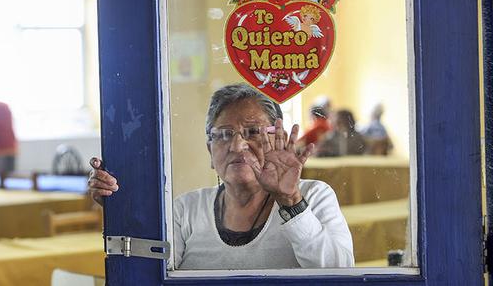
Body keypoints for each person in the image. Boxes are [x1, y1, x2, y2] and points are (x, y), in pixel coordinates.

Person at [89, 83, 354, 269]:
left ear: (279, 139)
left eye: (252, 132)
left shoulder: (314, 196)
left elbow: (340, 272)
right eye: (224, 134)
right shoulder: (186, 209)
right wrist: (120, 207)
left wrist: (290, 200)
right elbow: (147, 272)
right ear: (209, 150)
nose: (237, 146)